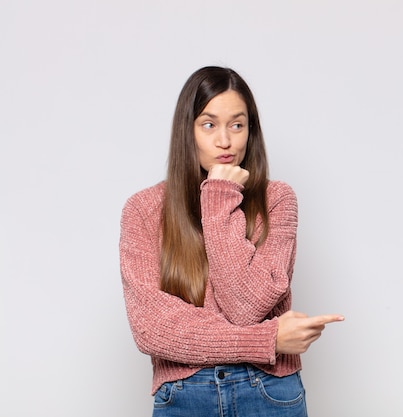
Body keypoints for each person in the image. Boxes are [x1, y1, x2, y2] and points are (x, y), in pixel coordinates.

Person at [119, 66, 343, 417]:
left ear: (250, 131)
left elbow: (245, 305)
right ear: (187, 131)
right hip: (184, 396)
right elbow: (152, 328)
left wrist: (220, 195)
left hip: (267, 392)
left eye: (237, 125)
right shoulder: (144, 210)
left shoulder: (277, 199)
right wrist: (266, 339)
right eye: (209, 125)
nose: (225, 140)